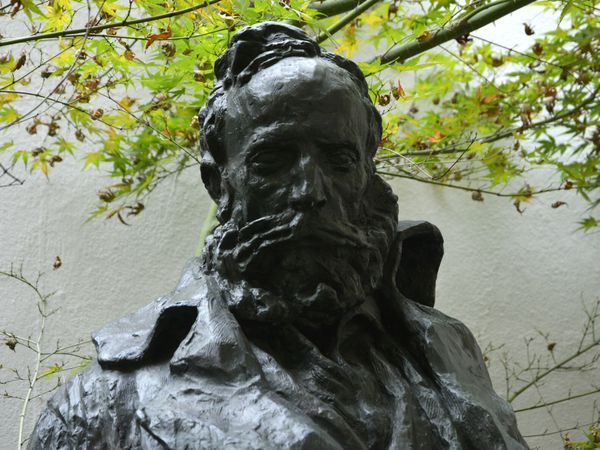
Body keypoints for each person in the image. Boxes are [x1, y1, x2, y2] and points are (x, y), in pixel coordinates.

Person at [28, 22, 528, 449]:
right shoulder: (106, 400)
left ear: (367, 177)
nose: (311, 192)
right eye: (273, 160)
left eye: (339, 160)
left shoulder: (449, 351)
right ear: (219, 182)